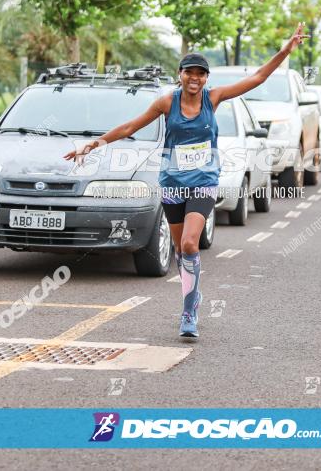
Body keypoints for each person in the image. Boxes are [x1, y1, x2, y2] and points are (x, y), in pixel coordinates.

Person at [64, 24, 308, 337]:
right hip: (173, 183)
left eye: (201, 74)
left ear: (207, 78)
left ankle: (189, 310)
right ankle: (192, 294)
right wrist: (93, 144)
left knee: (191, 243)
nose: (195, 79)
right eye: (189, 73)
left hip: (204, 181)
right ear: (180, 74)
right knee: (180, 250)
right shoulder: (166, 103)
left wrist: (285, 51)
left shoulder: (215, 97)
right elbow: (129, 128)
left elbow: (258, 77)